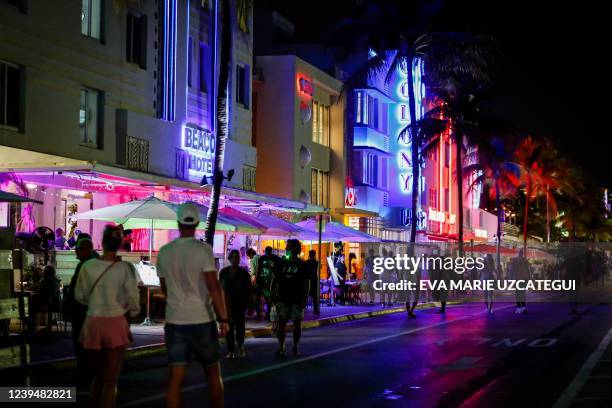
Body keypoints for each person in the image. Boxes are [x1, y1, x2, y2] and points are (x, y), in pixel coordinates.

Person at [156, 202, 229, 408]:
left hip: (175, 321)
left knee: (175, 380)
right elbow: (214, 287)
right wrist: (224, 318)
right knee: (213, 374)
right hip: (202, 319)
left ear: (178, 222)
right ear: (197, 223)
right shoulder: (204, 250)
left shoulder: (165, 252)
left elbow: (165, 288)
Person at [75, 225, 140, 407]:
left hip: (93, 322)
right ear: (120, 243)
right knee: (111, 381)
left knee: (98, 376)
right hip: (116, 322)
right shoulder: (126, 268)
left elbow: (80, 296)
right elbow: (133, 301)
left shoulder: (88, 266)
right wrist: (132, 313)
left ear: (102, 243)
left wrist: (95, 303)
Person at [64, 236, 98, 390]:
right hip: (85, 311)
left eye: (78, 250)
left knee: (82, 345)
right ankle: (87, 375)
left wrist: (71, 304)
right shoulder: (91, 263)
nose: (76, 253)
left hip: (82, 311)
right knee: (85, 345)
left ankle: (85, 377)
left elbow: (79, 290)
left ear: (86, 250)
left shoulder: (86, 265)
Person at [270, 239, 310, 357]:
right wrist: (272, 296)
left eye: (289, 247)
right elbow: (275, 280)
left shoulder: (302, 264)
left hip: (296, 299)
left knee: (297, 324)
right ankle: (281, 346)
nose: (287, 249)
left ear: (296, 249)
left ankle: (295, 346)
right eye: (287, 247)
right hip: (282, 298)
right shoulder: (281, 263)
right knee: (281, 323)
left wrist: (304, 298)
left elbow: (306, 283)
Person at [219, 250, 252, 359]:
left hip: (240, 304)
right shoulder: (223, 272)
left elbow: (249, 290)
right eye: (234, 257)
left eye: (237, 257)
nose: (236, 259)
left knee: (240, 327)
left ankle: (241, 346)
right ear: (230, 259)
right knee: (229, 328)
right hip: (227, 305)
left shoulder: (244, 273)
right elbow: (220, 288)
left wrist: (250, 305)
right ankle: (231, 350)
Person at [257, 246, 280, 320]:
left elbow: (278, 269)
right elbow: (259, 269)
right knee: (262, 297)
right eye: (267, 252)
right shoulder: (262, 258)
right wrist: (258, 278)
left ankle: (268, 314)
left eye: (269, 252)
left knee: (270, 298)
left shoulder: (275, 258)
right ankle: (260, 314)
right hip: (263, 280)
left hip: (272, 281)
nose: (268, 254)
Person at [508, 248, 530, 314]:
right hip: (520, 279)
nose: (520, 254)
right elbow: (527, 270)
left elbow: (511, 270)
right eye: (520, 253)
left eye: (520, 253)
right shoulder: (523, 260)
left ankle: (520, 308)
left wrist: (510, 279)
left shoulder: (516, 260)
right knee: (521, 293)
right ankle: (521, 307)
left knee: (519, 293)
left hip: (519, 279)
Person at [305, 250, 319, 314]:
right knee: (315, 296)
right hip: (314, 280)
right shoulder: (316, 262)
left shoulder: (306, 262)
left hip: (308, 280)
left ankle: (303, 307)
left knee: (306, 295)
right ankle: (315, 309)